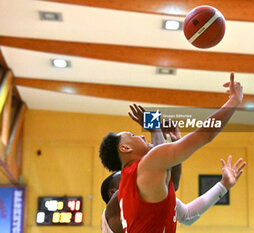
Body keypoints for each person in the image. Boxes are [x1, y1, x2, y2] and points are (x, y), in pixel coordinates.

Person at [99, 73, 243, 233]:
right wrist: (234, 101)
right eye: (132, 135)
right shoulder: (141, 174)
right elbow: (204, 134)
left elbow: (187, 212)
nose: (140, 135)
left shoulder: (133, 182)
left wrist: (223, 185)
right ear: (125, 148)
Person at [101, 155, 246, 233]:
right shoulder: (111, 211)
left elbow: (189, 215)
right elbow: (168, 183)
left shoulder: (153, 202)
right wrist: (165, 144)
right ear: (113, 192)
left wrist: (223, 185)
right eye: (126, 178)